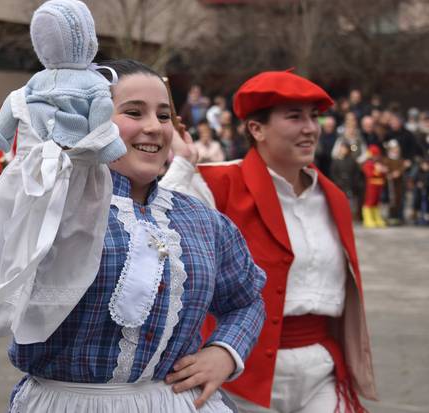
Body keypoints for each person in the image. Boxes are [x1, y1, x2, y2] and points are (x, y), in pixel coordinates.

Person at [0, 58, 265, 412]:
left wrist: (224, 352)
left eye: (164, 115)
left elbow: (247, 298)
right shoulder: (54, 201)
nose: (154, 127)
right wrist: (44, 195)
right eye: (134, 113)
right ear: (92, 118)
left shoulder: (202, 219)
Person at [161, 69, 377, 412]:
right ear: (256, 129)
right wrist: (183, 165)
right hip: (239, 372)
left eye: (313, 117)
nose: (310, 128)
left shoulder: (332, 196)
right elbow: (155, 227)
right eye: (294, 117)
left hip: (323, 369)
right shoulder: (216, 183)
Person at [361, 144, 387, 228]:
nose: (376, 157)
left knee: (376, 202)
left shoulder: (379, 163)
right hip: (371, 186)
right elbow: (369, 174)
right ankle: (368, 219)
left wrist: (383, 170)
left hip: (379, 185)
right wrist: (377, 170)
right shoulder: (368, 164)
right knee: (369, 201)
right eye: (374, 155)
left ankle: (376, 218)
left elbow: (383, 175)